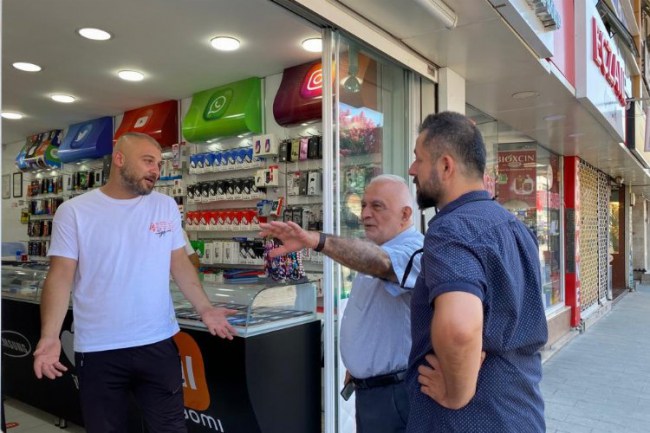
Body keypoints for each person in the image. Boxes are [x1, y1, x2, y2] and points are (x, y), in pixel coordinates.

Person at [32, 132, 237, 433]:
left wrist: (205, 309)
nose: (156, 170)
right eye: (148, 161)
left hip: (158, 343)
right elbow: (60, 276)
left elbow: (179, 263)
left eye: (159, 164)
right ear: (119, 159)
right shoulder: (74, 212)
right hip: (100, 348)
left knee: (171, 429)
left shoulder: (165, 206)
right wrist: (50, 336)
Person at [406, 112, 548, 432]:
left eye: (418, 159)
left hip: (468, 420)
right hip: (521, 411)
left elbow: (459, 328)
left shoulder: (451, 229)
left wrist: (456, 395)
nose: (412, 169)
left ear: (446, 166)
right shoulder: (515, 227)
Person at [260, 174, 423, 433]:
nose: (365, 214)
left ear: (405, 214)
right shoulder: (380, 246)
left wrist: (317, 241)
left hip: (394, 394)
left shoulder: (415, 250)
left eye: (377, 206)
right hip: (372, 389)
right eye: (364, 205)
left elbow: (382, 264)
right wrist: (360, 363)